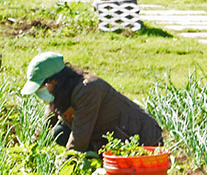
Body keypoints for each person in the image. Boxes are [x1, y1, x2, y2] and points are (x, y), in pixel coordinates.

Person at [21, 52, 163, 153]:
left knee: (68, 137)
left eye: (42, 87)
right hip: (107, 136)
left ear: (55, 81)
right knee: (59, 132)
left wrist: (65, 169)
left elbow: (79, 139)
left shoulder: (87, 90)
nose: (41, 93)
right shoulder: (61, 94)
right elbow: (46, 125)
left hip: (141, 139)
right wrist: (30, 151)